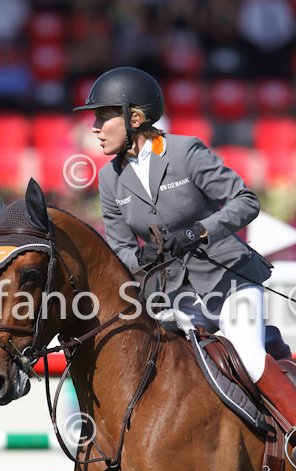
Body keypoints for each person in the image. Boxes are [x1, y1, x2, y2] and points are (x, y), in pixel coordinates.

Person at [73, 66, 296, 441]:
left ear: (135, 118)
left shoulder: (185, 151)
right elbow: (120, 248)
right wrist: (140, 259)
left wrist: (198, 231)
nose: (94, 128)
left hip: (227, 278)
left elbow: (245, 201)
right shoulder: (110, 179)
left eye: (102, 118)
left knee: (247, 352)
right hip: (173, 292)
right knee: (163, 362)